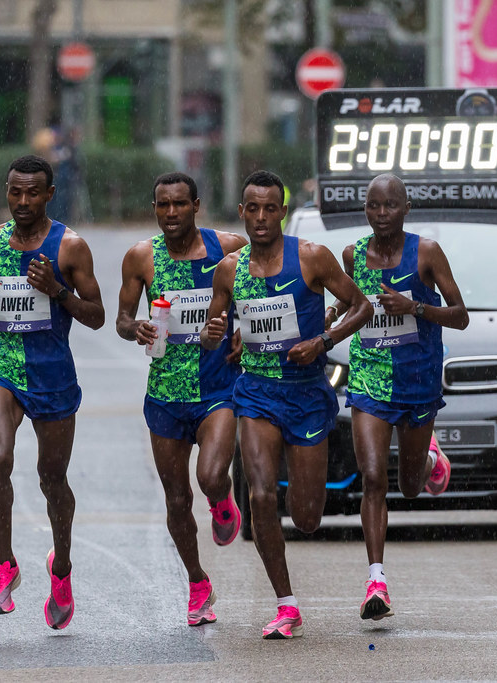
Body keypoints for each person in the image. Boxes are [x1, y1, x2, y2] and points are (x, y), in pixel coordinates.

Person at [201, 170, 372, 639]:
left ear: (282, 212)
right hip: (256, 393)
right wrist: (212, 334)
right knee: (260, 495)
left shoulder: (312, 257)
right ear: (242, 212)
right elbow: (211, 333)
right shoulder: (229, 269)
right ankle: (286, 605)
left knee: (307, 517)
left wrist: (323, 341)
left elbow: (361, 307)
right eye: (252, 209)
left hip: (307, 394)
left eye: (269, 208)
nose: (260, 217)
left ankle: (298, 538)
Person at [0, 154, 104, 629]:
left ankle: (61, 566)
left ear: (49, 195)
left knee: (52, 478)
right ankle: (5, 563)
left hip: (51, 374)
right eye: (14, 192)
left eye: (32, 193)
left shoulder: (70, 247)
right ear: (7, 191)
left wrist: (58, 291)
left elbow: (97, 316)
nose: (22, 201)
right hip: (1, 365)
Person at [330, 173, 469, 621]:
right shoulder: (352, 255)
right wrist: (331, 313)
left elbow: (461, 316)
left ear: (407, 208)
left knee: (409, 488)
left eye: (390, 205)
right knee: (373, 477)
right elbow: (351, 299)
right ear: (365, 210)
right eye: (373, 206)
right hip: (369, 379)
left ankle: (429, 459)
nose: (381, 214)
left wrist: (416, 308)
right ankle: (376, 581)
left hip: (417, 382)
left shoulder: (425, 253)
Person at [116, 171, 247, 627]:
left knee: (209, 476)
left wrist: (242, 333)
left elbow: (258, 292)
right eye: (162, 205)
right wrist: (136, 328)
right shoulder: (141, 257)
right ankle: (197, 582)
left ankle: (222, 497)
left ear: (196, 205)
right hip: (165, 394)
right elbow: (121, 320)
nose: (171, 213)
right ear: (155, 208)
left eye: (179, 204)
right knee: (176, 499)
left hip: (217, 387)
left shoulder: (228, 248)